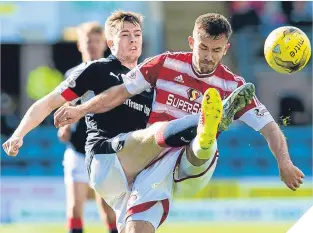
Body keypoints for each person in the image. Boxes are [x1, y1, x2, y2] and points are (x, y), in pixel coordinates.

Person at [2, 11, 255, 233]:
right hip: (104, 157)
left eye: (137, 34)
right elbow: (46, 103)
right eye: (125, 35)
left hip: (138, 169)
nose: (133, 40)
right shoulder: (96, 69)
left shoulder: (150, 79)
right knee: (79, 204)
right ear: (110, 42)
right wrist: (18, 134)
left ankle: (204, 128)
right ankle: (206, 123)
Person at [52, 11, 305, 223]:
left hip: (191, 164)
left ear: (226, 49)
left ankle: (204, 130)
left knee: (202, 144)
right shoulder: (164, 64)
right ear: (191, 41)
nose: (208, 56)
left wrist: (284, 163)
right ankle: (204, 123)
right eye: (203, 47)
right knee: (134, 226)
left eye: (216, 50)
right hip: (151, 163)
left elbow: (270, 128)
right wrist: (80, 110)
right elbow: (118, 92)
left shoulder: (232, 85)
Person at [57, 22, 118, 233]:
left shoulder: (113, 75)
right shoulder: (71, 75)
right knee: (74, 208)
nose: (92, 45)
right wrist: (65, 127)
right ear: (80, 45)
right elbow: (68, 106)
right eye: (88, 41)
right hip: (77, 150)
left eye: (96, 41)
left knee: (107, 209)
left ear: (105, 44)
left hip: (103, 150)